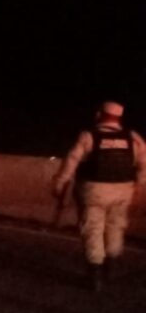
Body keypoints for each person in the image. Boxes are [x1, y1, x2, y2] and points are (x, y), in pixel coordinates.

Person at [52, 101, 146, 292]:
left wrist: (60, 183)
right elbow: (144, 163)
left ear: (100, 115)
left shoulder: (89, 136)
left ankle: (95, 275)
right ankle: (109, 267)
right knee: (116, 226)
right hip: (123, 190)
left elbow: (71, 161)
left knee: (93, 229)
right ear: (119, 117)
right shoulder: (133, 138)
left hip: (93, 190)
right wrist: (140, 185)